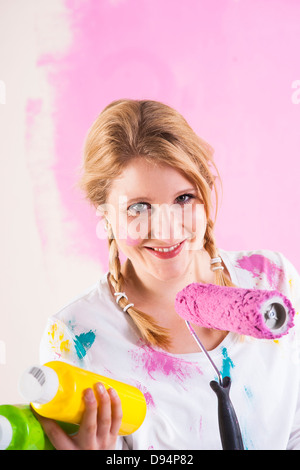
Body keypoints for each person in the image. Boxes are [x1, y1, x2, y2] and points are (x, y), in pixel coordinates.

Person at [37, 99, 300, 450]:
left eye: (183, 198)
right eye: (138, 207)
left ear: (205, 192)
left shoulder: (272, 280)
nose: (166, 229)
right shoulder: (75, 339)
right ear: (104, 215)